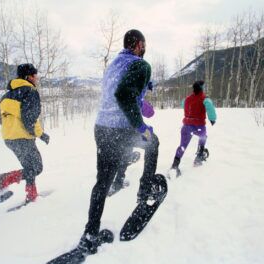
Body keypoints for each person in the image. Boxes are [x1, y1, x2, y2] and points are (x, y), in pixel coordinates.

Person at [78, 29, 160, 253]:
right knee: (152, 142)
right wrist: (141, 128)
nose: (145, 48)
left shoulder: (114, 64)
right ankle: (146, 192)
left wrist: (144, 86)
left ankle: (90, 233)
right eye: (144, 44)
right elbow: (123, 95)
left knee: (102, 182)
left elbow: (121, 87)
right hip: (121, 129)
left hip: (102, 128)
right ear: (139, 44)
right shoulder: (142, 65)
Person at [0, 63, 50, 202]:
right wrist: (40, 134)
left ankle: (31, 195)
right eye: (35, 76)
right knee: (36, 167)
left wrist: (12, 125)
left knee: (29, 167)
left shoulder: (7, 95)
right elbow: (29, 119)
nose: (37, 78)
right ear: (28, 77)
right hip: (22, 137)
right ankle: (2, 180)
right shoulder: (30, 92)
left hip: (9, 138)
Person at [108, 81, 155, 195]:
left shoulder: (120, 95)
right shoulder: (138, 100)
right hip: (131, 132)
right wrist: (148, 98)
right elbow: (150, 113)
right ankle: (120, 182)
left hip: (114, 131)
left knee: (120, 152)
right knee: (151, 141)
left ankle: (114, 178)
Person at [170, 80, 216, 176]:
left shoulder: (187, 99)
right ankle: (199, 157)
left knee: (182, 145)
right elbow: (210, 106)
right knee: (203, 137)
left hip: (187, 126)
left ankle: (175, 165)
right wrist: (212, 119)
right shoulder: (205, 99)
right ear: (202, 88)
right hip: (199, 126)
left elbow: (183, 104)